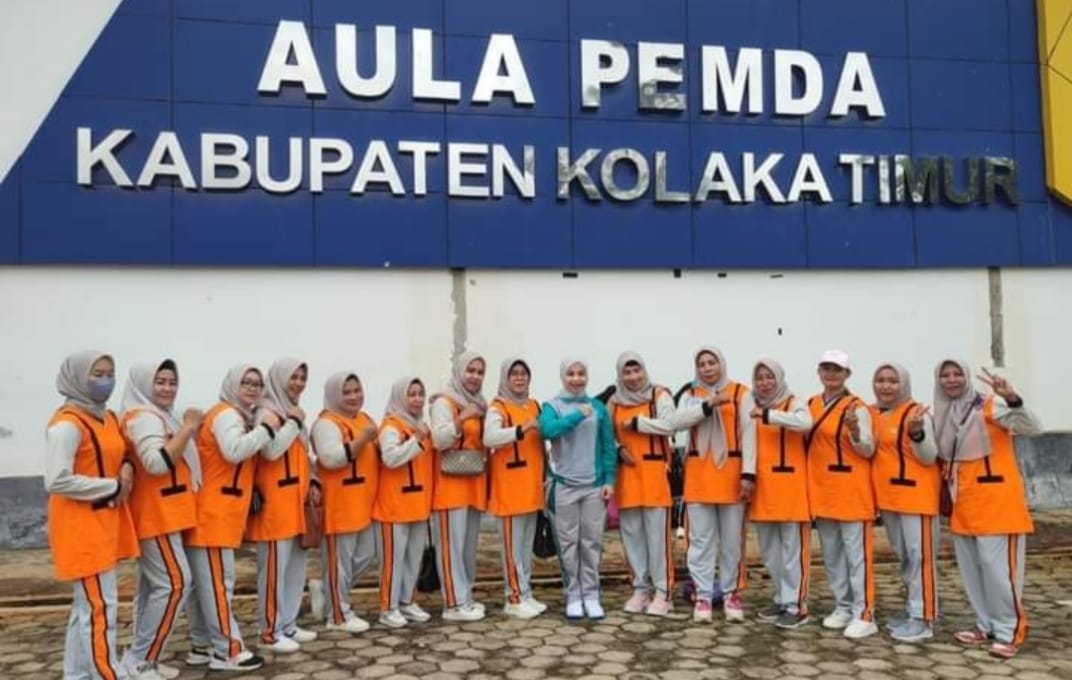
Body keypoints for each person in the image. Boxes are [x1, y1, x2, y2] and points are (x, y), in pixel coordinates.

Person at [935, 359, 1042, 659]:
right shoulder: (943, 413)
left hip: (997, 503)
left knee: (999, 573)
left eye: (957, 374)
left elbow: (1033, 427)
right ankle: (985, 623)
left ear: (967, 377)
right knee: (973, 571)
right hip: (964, 504)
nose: (951, 380)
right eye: (945, 375)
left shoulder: (990, 405)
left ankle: (1009, 630)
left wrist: (1012, 397)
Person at [46, 351, 139, 680]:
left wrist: (126, 467)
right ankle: (107, 673)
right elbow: (56, 480)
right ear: (76, 379)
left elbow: (123, 450)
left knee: (86, 607)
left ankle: (76, 674)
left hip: (104, 522)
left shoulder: (107, 417)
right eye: (96, 374)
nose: (105, 381)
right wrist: (111, 486)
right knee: (100, 608)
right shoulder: (67, 425)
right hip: (80, 527)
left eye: (110, 373)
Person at [184, 365, 272, 672]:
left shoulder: (232, 415)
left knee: (204, 587)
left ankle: (201, 645)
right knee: (219, 585)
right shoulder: (227, 415)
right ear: (233, 384)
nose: (252, 388)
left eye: (257, 384)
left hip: (217, 514)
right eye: (246, 382)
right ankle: (228, 650)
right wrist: (267, 430)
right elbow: (233, 451)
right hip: (213, 516)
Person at [118, 359, 202, 679]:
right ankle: (141, 660)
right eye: (160, 382)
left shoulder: (155, 415)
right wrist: (188, 427)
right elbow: (156, 463)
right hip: (156, 515)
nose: (168, 389)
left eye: (172, 382)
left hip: (165, 513)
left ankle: (141, 658)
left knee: (153, 588)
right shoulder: (145, 417)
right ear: (143, 384)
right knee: (175, 583)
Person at [670, 346, 755, 624]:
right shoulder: (691, 395)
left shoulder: (741, 393)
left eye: (712, 362)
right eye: (702, 364)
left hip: (731, 475)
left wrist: (748, 474)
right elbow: (675, 422)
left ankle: (731, 593)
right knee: (700, 541)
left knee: (731, 541)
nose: (707, 368)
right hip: (699, 476)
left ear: (721, 364)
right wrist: (708, 405)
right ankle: (703, 595)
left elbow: (750, 434)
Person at [806, 349, 877, 639]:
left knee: (857, 556)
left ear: (847, 374)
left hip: (851, 491)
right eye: (826, 368)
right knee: (832, 554)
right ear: (819, 372)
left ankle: (865, 612)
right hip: (822, 489)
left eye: (837, 369)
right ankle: (843, 605)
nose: (831, 374)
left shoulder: (857, 407)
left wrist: (855, 431)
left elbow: (868, 449)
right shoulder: (811, 404)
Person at [539, 358, 618, 620]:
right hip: (564, 486)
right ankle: (573, 594)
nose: (576, 379)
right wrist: (576, 416)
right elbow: (547, 430)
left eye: (581, 373)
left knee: (592, 542)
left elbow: (608, 446)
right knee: (568, 543)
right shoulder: (552, 406)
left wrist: (609, 480)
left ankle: (592, 595)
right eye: (571, 374)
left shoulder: (598, 408)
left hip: (593, 487)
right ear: (563, 377)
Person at [249, 358, 318, 653]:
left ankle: (287, 622)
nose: (299, 383)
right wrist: (294, 422)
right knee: (273, 572)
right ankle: (269, 631)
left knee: (294, 569)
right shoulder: (267, 412)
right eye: (293, 377)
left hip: (295, 502)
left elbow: (302, 455)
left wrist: (312, 481)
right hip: (274, 505)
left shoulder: (291, 411)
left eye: (302, 377)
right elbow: (271, 450)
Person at [870, 363, 940, 642]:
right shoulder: (874, 413)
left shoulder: (917, 414)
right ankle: (914, 608)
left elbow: (929, 456)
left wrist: (917, 434)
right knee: (905, 557)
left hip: (916, 498)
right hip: (889, 498)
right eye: (880, 380)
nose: (886, 386)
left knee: (920, 558)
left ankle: (923, 618)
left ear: (904, 384)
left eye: (892, 381)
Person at [309, 372, 381, 633]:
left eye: (356, 390)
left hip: (364, 502)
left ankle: (325, 590)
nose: (353, 396)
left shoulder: (364, 419)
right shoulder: (326, 424)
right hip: (339, 504)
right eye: (346, 392)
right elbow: (331, 459)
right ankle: (338, 615)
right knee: (339, 563)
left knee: (367, 554)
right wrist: (363, 439)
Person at [607, 351, 677, 617]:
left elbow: (670, 425)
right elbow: (606, 434)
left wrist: (639, 424)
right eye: (627, 372)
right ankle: (640, 588)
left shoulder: (659, 395)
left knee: (657, 538)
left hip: (655, 473)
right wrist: (617, 449)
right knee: (632, 535)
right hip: (628, 475)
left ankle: (664, 591)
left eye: (636, 371)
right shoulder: (614, 401)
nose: (633, 377)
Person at [746, 359, 813, 629]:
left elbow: (805, 423)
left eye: (769, 377)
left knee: (792, 550)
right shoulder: (751, 406)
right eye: (759, 377)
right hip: (763, 488)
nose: (764, 382)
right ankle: (782, 596)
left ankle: (797, 605)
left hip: (791, 488)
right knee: (770, 550)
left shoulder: (793, 402)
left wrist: (768, 415)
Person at [483, 357, 547, 618]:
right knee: (511, 548)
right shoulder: (498, 407)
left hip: (531, 485)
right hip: (509, 489)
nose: (520, 378)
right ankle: (513, 597)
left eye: (524, 373)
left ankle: (525, 592)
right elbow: (490, 437)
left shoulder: (534, 405)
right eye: (514, 374)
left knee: (524, 547)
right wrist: (520, 429)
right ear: (505, 378)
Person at [429, 351, 490, 621]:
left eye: (480, 372)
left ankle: (465, 597)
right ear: (458, 372)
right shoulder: (444, 402)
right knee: (451, 546)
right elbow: (438, 440)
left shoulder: (479, 404)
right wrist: (462, 418)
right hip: (449, 485)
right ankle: (453, 604)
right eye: (470, 370)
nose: (475, 376)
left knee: (467, 546)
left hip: (473, 481)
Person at [374, 377, 435, 628]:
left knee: (413, 558)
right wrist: (416, 441)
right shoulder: (390, 426)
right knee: (393, 560)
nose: (417, 399)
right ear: (400, 397)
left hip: (418, 503)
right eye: (411, 394)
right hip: (394, 506)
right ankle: (388, 607)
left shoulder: (421, 426)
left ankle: (407, 600)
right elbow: (391, 458)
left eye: (420, 394)